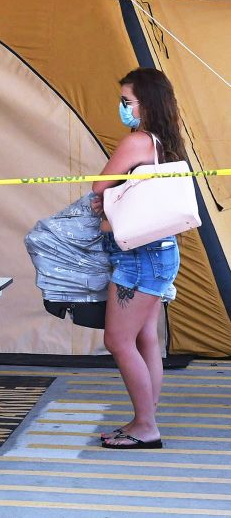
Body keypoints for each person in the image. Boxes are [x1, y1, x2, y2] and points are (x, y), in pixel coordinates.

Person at [91, 67, 184, 449]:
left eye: (126, 101)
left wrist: (102, 205)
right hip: (161, 251)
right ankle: (145, 416)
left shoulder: (138, 142)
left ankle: (146, 426)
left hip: (138, 256)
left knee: (118, 340)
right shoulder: (167, 141)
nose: (123, 107)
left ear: (145, 103)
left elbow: (99, 185)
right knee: (145, 338)